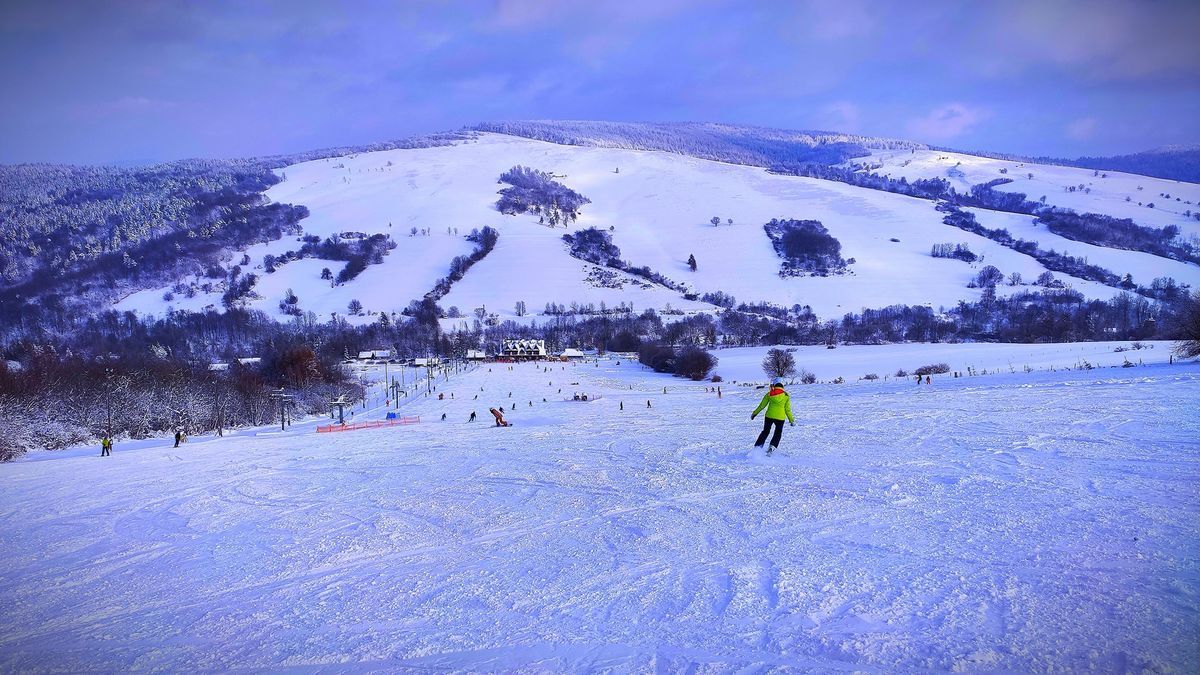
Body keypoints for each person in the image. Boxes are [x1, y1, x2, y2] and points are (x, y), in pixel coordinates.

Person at [751, 380, 795, 454]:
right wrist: (791, 420)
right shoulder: (786, 395)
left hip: (769, 416)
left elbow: (762, 406)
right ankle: (772, 447)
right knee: (778, 432)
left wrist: (754, 413)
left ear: (775, 386)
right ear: (782, 387)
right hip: (780, 418)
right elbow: (787, 410)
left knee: (765, 431)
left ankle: (758, 447)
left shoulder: (769, 394)